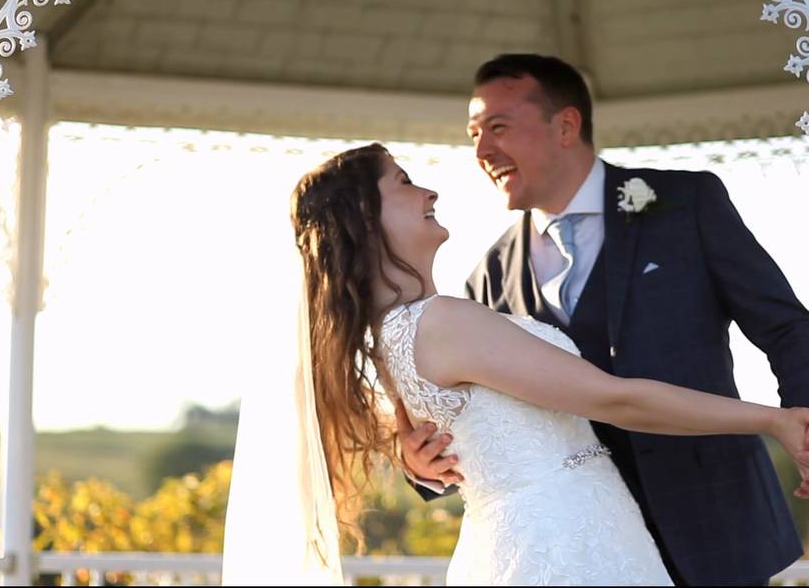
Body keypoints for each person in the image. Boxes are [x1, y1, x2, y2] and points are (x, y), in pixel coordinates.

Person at [223, 142, 809, 586]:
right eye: (404, 183)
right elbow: (616, 399)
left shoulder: (393, 336)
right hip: (564, 546)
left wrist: (409, 452)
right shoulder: (446, 320)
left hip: (557, 536)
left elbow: (425, 421)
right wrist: (775, 420)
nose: (429, 192)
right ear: (364, 218)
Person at [397, 53, 809, 585]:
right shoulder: (489, 277)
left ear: (566, 125)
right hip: (588, 545)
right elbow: (473, 420)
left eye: (497, 127)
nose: (481, 150)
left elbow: (785, 325)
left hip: (718, 528)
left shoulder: (687, 204)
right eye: (474, 134)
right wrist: (421, 466)